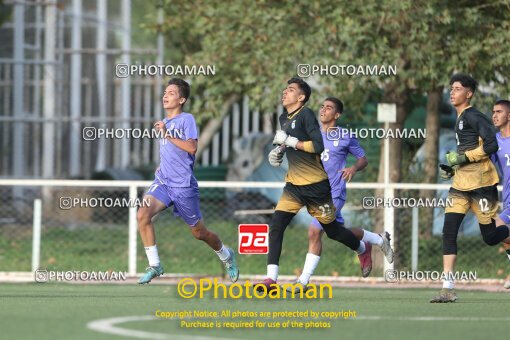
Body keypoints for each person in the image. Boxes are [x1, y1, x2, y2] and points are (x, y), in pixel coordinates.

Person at [259, 77, 369, 291]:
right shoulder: (284, 118)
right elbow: (289, 145)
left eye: (290, 90)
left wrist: (291, 142)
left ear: (301, 97)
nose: (284, 92)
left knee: (334, 232)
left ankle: (362, 247)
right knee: (276, 225)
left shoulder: (307, 115)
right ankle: (271, 279)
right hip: (293, 185)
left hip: (317, 187)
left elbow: (317, 146)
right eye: (285, 88)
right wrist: (279, 152)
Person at [136, 78, 239, 284]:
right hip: (163, 182)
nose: (166, 95)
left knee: (199, 233)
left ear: (182, 99)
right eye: (165, 92)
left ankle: (226, 255)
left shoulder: (187, 119)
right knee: (142, 214)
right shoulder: (164, 123)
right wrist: (162, 165)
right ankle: (155, 266)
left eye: (172, 93)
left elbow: (191, 148)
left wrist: (166, 133)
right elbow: (171, 152)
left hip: (183, 186)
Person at [291, 97, 394, 289]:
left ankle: (303, 280)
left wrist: (353, 169)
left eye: (328, 108)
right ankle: (374, 241)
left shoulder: (345, 135)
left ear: (337, 115)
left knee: (314, 231)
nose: (323, 110)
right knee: (337, 233)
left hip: (335, 193)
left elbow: (363, 159)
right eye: (322, 106)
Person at [430, 74, 510, 302]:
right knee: (449, 231)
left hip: (483, 187)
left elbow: (492, 144)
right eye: (451, 88)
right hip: (461, 186)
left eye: (457, 88)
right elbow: (467, 155)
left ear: (469, 93)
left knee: (491, 237)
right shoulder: (460, 118)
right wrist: (453, 167)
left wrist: (462, 157)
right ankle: (447, 288)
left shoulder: (475, 116)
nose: (452, 92)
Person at [491, 99, 510, 289]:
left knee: (497, 229)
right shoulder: (494, 141)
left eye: (499, 111)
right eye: (493, 112)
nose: (494, 115)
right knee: (498, 231)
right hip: (507, 200)